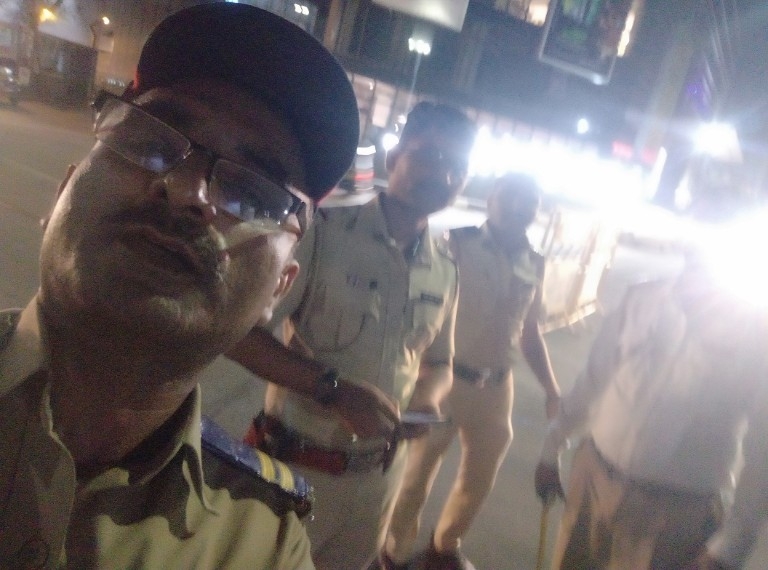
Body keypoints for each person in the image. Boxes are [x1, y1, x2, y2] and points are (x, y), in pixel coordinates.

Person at [0, 3, 362, 568]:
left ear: (279, 288)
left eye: (252, 194)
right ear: (63, 192)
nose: (187, 191)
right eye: (150, 142)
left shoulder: (264, 546)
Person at [227, 101, 477, 569]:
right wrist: (333, 390)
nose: (443, 175)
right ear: (393, 158)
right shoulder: (325, 233)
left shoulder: (445, 268)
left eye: (458, 168)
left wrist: (426, 400)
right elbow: (238, 332)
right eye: (430, 156)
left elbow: (439, 362)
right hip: (294, 470)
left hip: (377, 483)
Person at [534, 247, 768, 569]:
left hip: (674, 515)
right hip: (593, 480)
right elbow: (593, 378)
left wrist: (730, 545)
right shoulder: (643, 299)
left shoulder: (756, 334)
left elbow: (762, 450)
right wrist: (552, 446)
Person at [381, 173, 562, 570]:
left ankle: (444, 546)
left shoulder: (535, 262)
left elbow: (530, 332)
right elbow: (423, 308)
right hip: (445, 378)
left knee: (481, 475)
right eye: (510, 195)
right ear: (491, 199)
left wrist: (552, 389)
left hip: (497, 386)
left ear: (537, 211)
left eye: (529, 201)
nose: (518, 206)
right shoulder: (457, 244)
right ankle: (393, 553)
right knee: (416, 474)